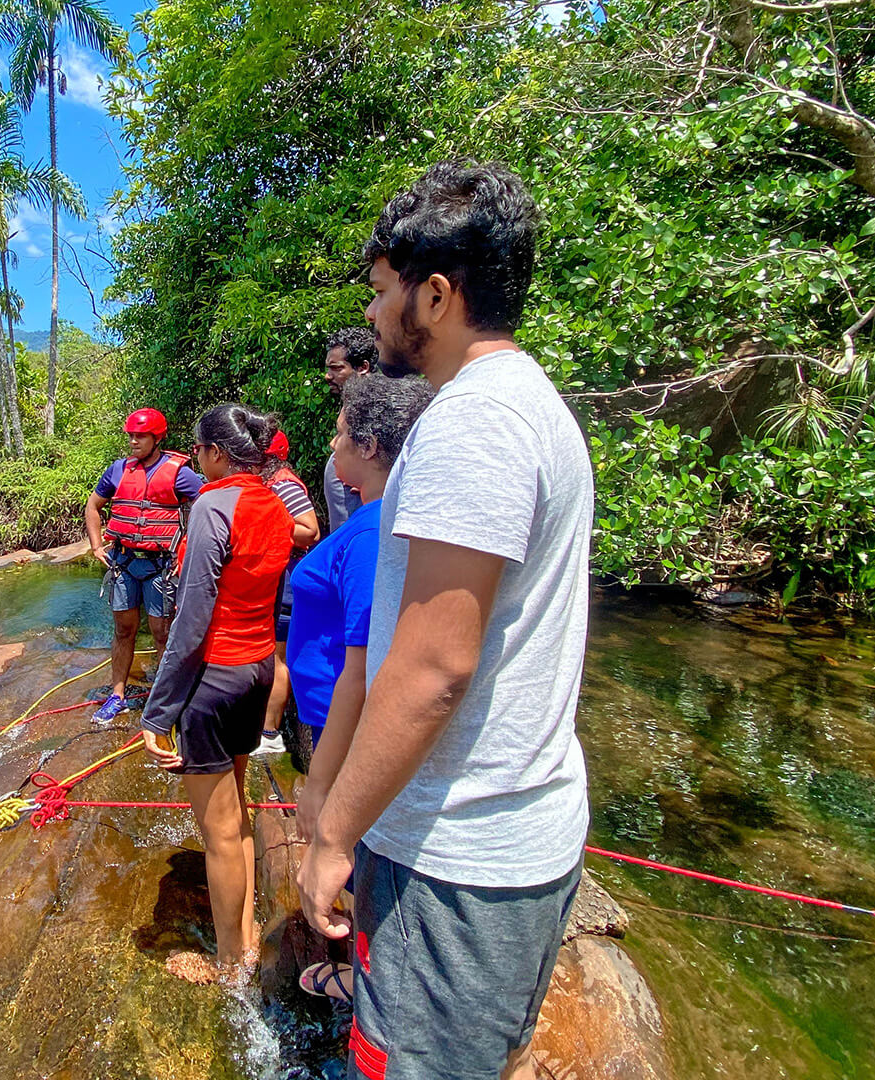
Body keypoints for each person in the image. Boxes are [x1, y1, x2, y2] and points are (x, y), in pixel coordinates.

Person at [297, 160, 593, 1080]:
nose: (376, 315)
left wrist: (333, 835)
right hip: (499, 840)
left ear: (436, 293)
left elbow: (433, 670)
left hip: (456, 860)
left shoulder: (474, 423)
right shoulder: (525, 405)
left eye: (386, 293)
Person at [287, 374, 433, 1003]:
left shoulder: (376, 533)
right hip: (328, 718)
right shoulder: (374, 519)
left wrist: (321, 784)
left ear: (371, 447)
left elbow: (366, 663)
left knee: (364, 852)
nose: (333, 439)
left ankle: (368, 981)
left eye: (343, 431)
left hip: (341, 726)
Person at [139, 404, 294, 980]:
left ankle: (231, 964)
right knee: (238, 810)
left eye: (198, 450)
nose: (195, 460)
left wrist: (158, 712)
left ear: (216, 453)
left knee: (218, 831)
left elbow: (193, 617)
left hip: (215, 679)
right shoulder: (275, 505)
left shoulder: (212, 504)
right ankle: (248, 936)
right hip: (256, 669)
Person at [84, 408, 204, 724]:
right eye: (131, 436)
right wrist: (97, 545)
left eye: (140, 436)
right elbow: (93, 506)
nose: (134, 441)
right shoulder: (118, 470)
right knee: (124, 630)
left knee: (162, 633)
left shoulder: (180, 473)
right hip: (124, 562)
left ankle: (164, 701)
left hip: (160, 565)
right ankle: (117, 695)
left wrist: (188, 551)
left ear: (157, 438)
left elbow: (205, 507)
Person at [252, 429, 320, 756]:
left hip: (287, 580)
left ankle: (270, 734)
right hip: (271, 577)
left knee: (277, 657)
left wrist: (267, 523)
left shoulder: (284, 485)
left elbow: (309, 530)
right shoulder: (268, 483)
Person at [319, 326, 378, 535]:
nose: (328, 376)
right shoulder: (353, 402)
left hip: (357, 518)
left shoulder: (378, 407)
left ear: (362, 367)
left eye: (336, 368)